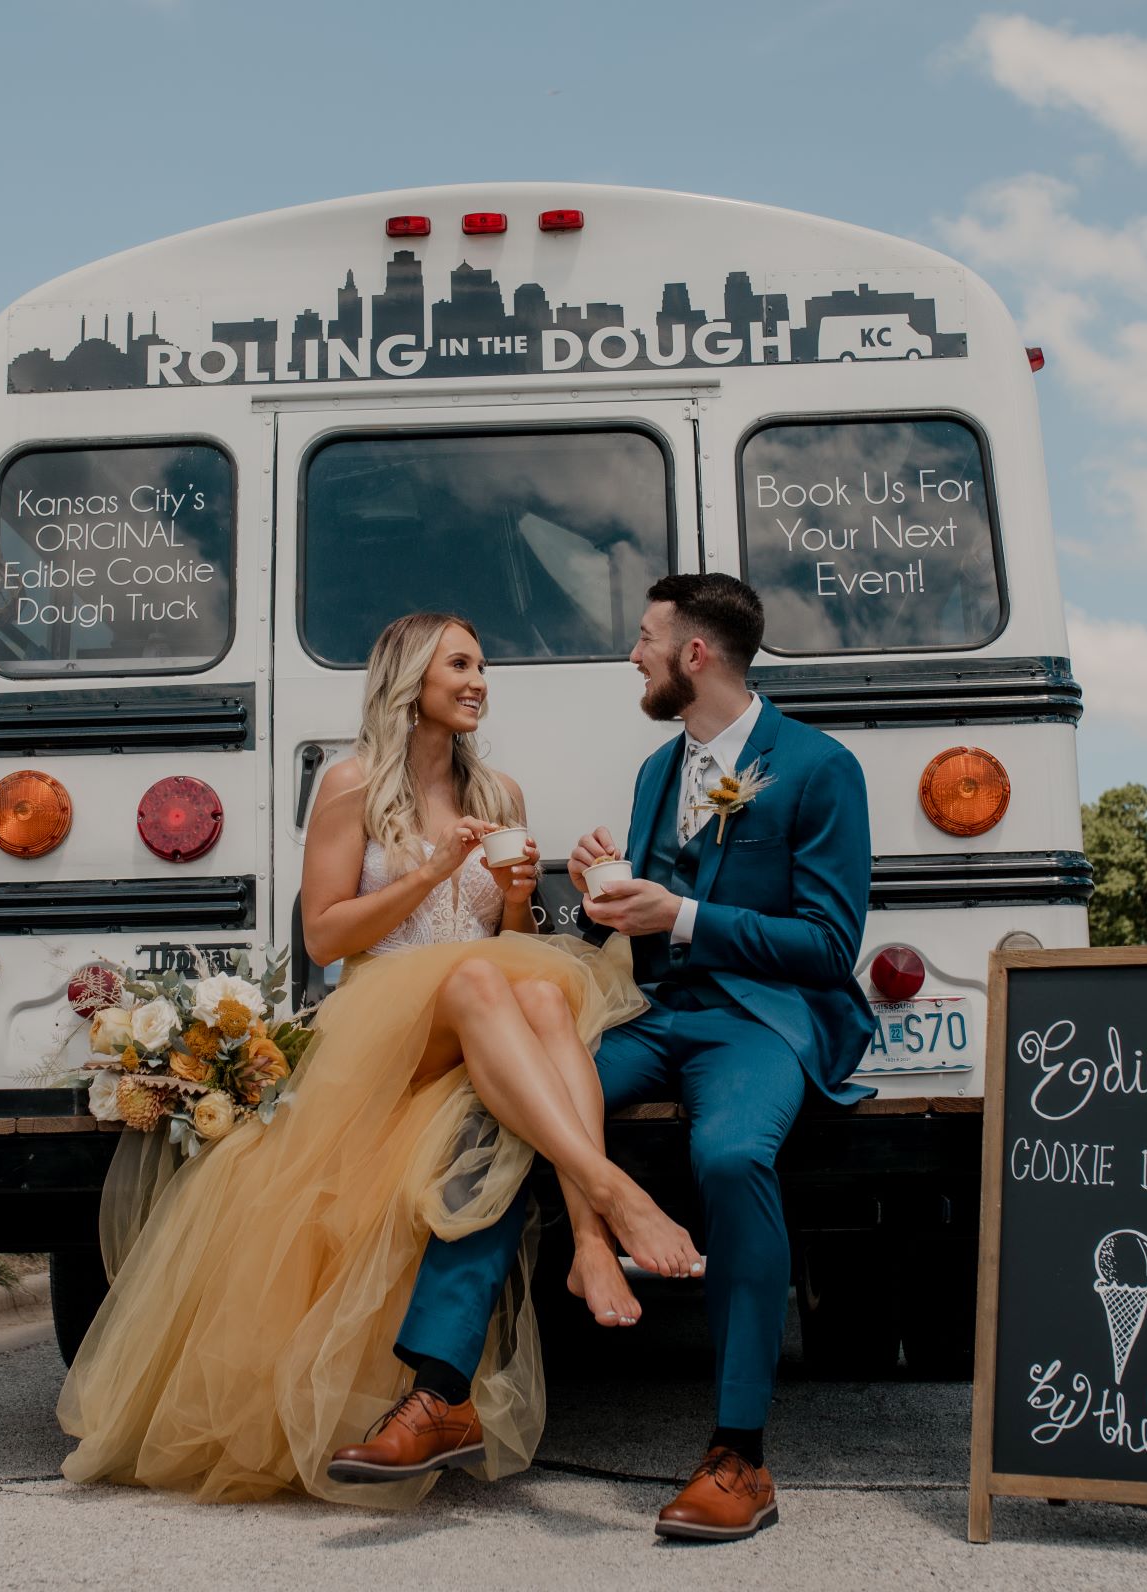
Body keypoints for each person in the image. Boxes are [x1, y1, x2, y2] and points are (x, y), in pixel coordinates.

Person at [57, 611, 695, 1507]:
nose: (479, 681)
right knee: (487, 981)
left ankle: (592, 1241)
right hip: (382, 1020)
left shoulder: (499, 794)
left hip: (480, 1012)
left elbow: (507, 943)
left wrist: (515, 899)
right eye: (461, 665)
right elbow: (324, 934)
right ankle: (611, 1191)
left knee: (544, 989)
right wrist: (430, 873)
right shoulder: (353, 786)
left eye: (482, 666)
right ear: (410, 681)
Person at [346, 572, 875, 1542]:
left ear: (695, 654)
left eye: (645, 638)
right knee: (499, 1108)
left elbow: (829, 944)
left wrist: (683, 913)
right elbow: (646, 933)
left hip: (764, 1020)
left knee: (730, 1158)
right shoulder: (653, 774)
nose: (632, 653)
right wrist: (606, 893)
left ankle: (739, 1454)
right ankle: (439, 1391)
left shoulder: (818, 766)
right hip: (654, 1011)